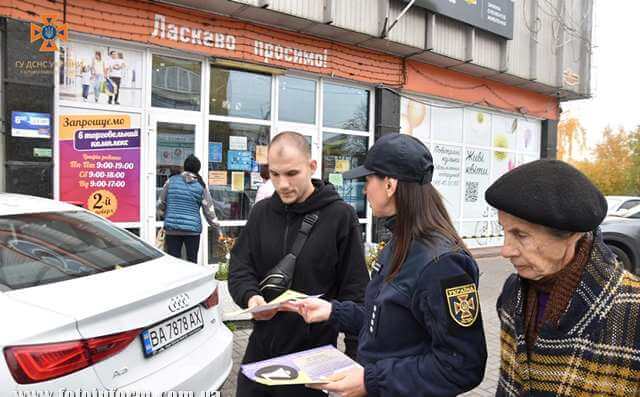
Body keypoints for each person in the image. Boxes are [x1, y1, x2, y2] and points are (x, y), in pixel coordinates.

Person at [287, 133, 488, 397]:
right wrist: (333, 311)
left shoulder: (442, 264)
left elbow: (462, 365)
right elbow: (386, 322)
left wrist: (371, 380)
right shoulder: (401, 241)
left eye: (368, 180)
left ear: (390, 185)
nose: (365, 189)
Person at [228, 131, 369, 397]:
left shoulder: (339, 216)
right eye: (275, 174)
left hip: (311, 362)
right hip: (260, 356)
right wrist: (251, 297)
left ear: (312, 166)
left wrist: (356, 361)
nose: (282, 184)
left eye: (292, 174)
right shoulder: (260, 213)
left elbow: (356, 292)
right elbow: (239, 267)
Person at [485, 159, 640, 396]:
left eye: (521, 235)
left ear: (571, 235)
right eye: (504, 230)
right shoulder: (512, 293)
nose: (506, 250)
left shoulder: (632, 310)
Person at [157, 154, 220, 263]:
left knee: (173, 262)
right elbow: (209, 210)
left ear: (185, 167)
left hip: (172, 229)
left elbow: (160, 203)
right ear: (198, 169)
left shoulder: (170, 181)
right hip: (192, 231)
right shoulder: (200, 185)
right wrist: (217, 229)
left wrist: (165, 216)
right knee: (192, 261)